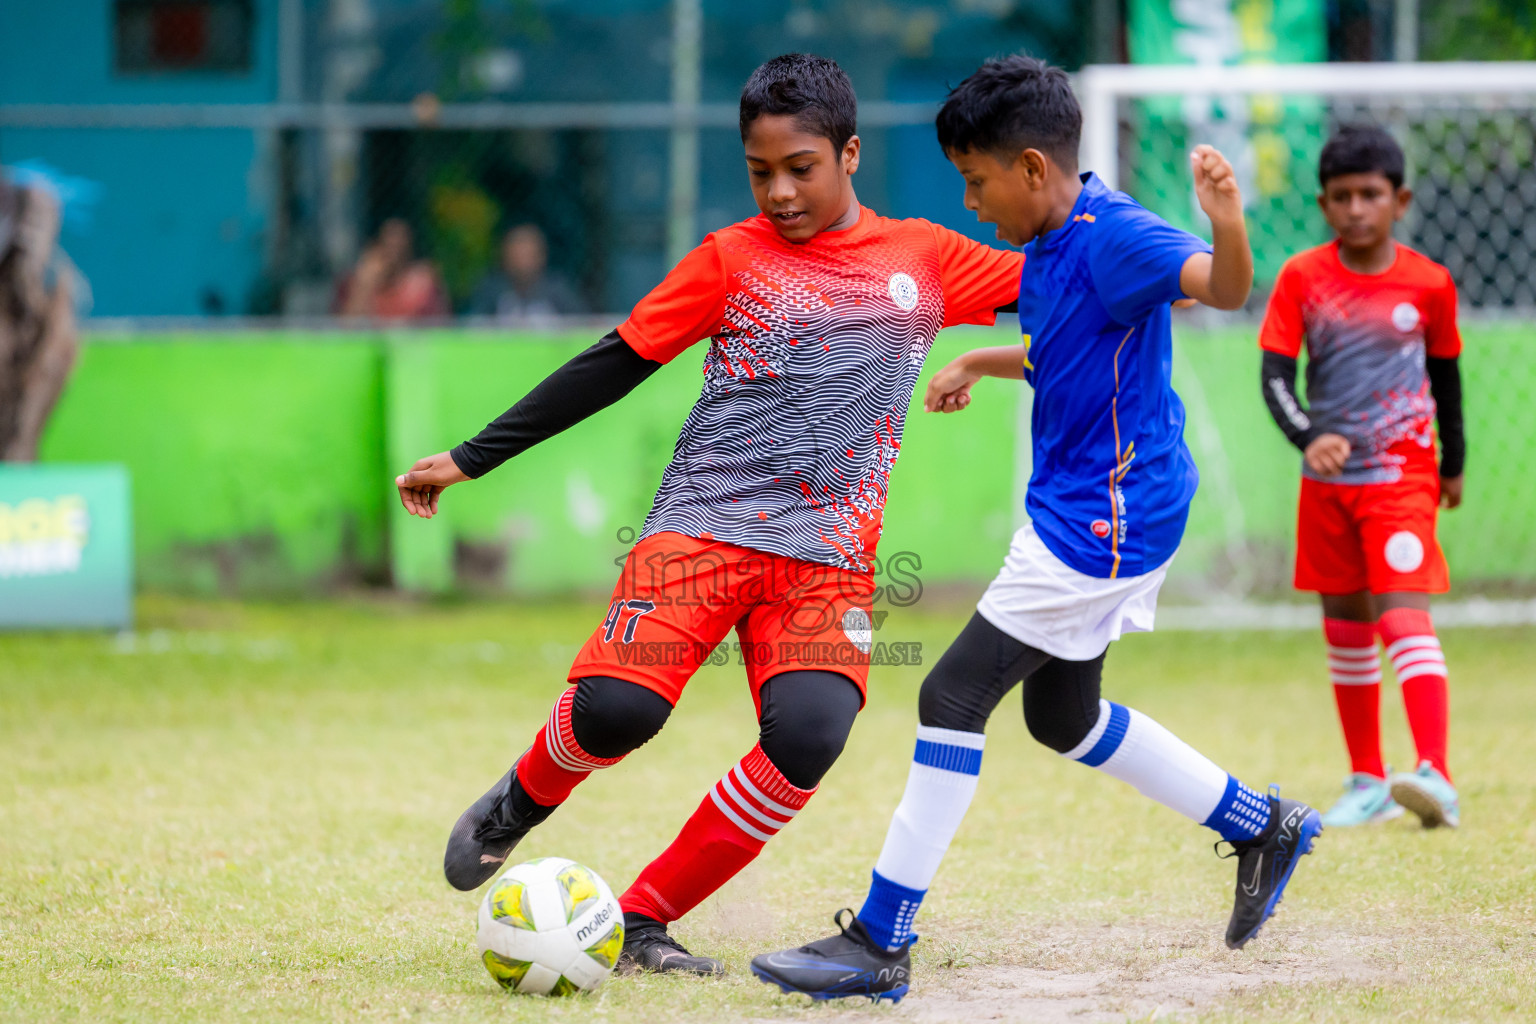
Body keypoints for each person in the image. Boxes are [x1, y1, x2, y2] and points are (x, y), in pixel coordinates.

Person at [393, 54, 1026, 976]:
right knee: (617, 710)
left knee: (810, 736)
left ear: (850, 154)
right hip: (703, 527)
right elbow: (614, 362)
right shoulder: (731, 259)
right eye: (760, 171)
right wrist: (471, 457)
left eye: (801, 168)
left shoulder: (924, 259)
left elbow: (1064, 287)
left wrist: (1160, 263)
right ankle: (518, 802)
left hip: (828, 558)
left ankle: (642, 920)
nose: (780, 191)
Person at [749, 56, 1322, 1004]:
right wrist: (979, 359)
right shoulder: (1052, 240)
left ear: (1029, 167)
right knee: (1063, 718)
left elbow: (1221, 289)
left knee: (950, 695)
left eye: (975, 182)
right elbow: (1064, 346)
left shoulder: (1118, 235)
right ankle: (1264, 825)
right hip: (1098, 505)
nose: (970, 203)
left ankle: (881, 940)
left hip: (1102, 518)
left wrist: (1226, 219)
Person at [1257, 125, 1463, 830]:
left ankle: (1436, 774)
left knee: (1401, 615)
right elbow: (1276, 376)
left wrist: (1454, 464)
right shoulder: (1301, 278)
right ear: (1324, 204)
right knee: (1345, 625)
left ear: (1399, 200)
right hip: (1328, 487)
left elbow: (1447, 379)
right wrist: (1308, 437)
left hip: (1402, 476)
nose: (1355, 208)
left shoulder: (1430, 283)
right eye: (1341, 196)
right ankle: (1368, 781)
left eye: (1370, 194)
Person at [467, 223, 587, 321]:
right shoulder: (491, 290)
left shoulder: (558, 290)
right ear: (504, 258)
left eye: (528, 255)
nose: (522, 264)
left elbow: (583, 325)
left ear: (541, 256)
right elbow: (473, 327)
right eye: (516, 256)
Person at [334, 218, 447, 319]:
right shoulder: (356, 282)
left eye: (401, 247)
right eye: (388, 246)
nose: (394, 256)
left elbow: (441, 325)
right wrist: (364, 286)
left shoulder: (421, 284)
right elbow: (345, 328)